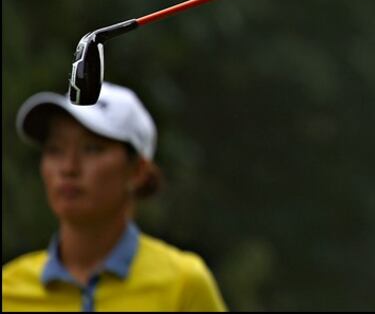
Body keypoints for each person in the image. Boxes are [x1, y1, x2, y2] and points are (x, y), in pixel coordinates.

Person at [2, 82, 227, 312]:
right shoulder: (8, 289)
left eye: (92, 148)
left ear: (138, 171)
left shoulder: (183, 284)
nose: (68, 168)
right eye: (54, 149)